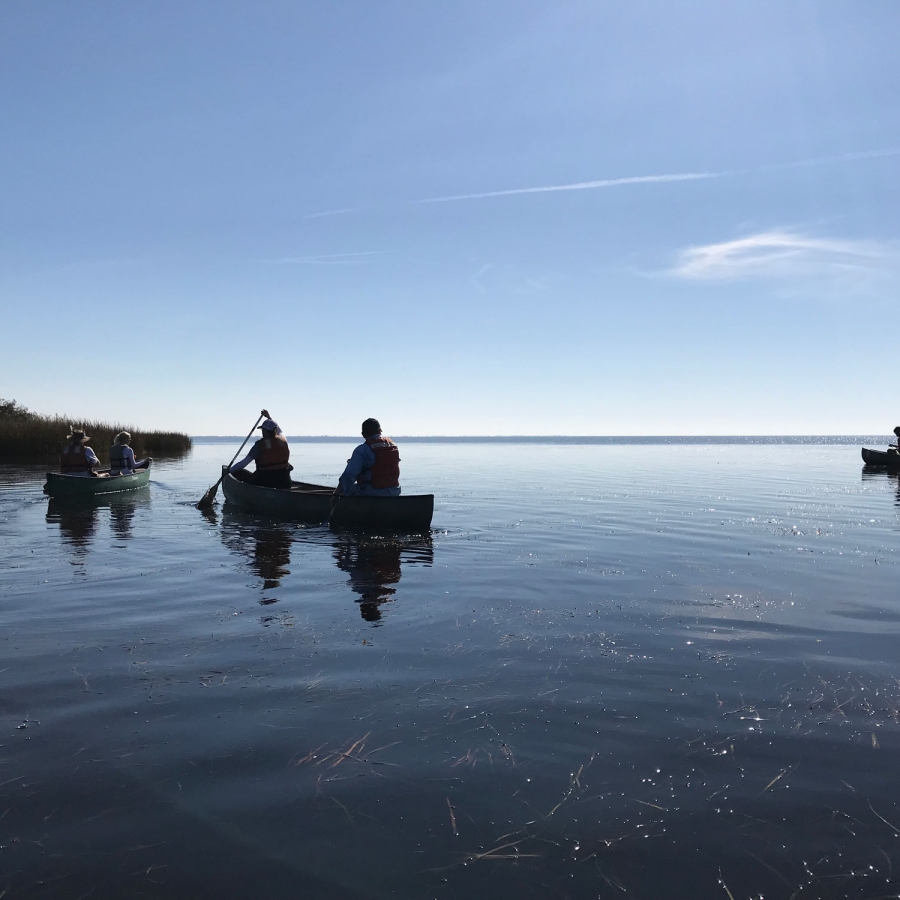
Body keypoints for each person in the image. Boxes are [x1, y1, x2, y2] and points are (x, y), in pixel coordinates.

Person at [335, 418, 401, 497]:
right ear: (380, 431)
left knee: (347, 490)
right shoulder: (393, 446)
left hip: (373, 492)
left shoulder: (362, 450)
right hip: (394, 491)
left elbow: (349, 476)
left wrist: (336, 494)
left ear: (363, 434)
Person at [229, 418, 293, 489]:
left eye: (263, 430)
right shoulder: (283, 440)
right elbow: (280, 431)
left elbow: (243, 463)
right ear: (275, 430)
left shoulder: (259, 446)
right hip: (285, 482)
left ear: (265, 431)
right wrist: (269, 417)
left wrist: (229, 471)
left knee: (238, 472)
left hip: (265, 483)